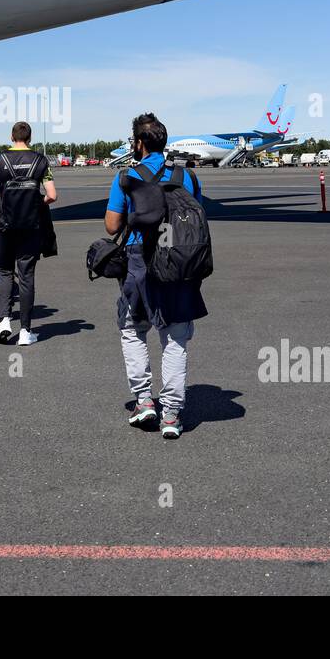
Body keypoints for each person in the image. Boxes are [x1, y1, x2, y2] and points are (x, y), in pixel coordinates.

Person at [105, 112, 208, 439]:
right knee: (175, 338)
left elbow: (111, 225)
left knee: (133, 329)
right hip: (177, 260)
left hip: (140, 261)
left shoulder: (126, 177)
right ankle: (172, 415)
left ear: (138, 143)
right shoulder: (187, 177)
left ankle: (144, 400)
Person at [0, 122, 56, 346]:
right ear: (29, 137)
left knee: (3, 272)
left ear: (12, 136)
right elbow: (52, 195)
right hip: (30, 226)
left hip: (4, 225)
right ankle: (25, 330)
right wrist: (35, 204)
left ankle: (3, 321)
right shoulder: (41, 160)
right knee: (26, 276)